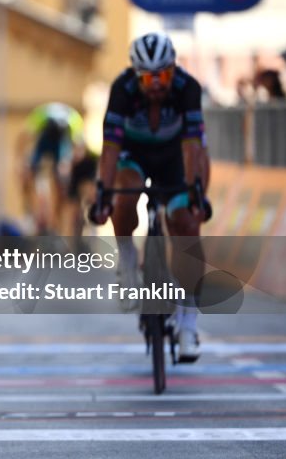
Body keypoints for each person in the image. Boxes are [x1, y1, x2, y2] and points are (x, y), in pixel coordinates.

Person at [88, 32, 211, 363]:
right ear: (135, 74)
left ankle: (188, 324)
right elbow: (110, 149)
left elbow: (194, 148)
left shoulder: (188, 89)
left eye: (164, 75)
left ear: (174, 70)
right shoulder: (122, 90)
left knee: (186, 225)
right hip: (134, 154)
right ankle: (127, 255)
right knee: (122, 197)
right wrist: (103, 195)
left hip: (176, 156)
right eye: (148, 77)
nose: (157, 84)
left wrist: (195, 193)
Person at [16, 102, 84, 235]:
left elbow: (77, 148)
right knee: (35, 169)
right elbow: (24, 139)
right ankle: (32, 206)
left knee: (58, 172)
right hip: (48, 137)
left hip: (57, 138)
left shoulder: (71, 122)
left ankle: (53, 203)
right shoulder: (43, 119)